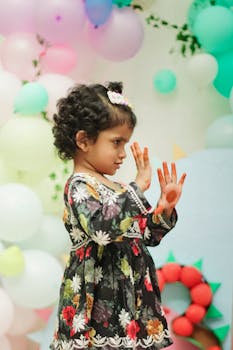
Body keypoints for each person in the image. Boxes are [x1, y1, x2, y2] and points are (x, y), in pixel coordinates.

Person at [50, 81, 186, 350]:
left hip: (130, 299)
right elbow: (102, 230)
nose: (123, 154)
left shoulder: (122, 192)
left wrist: (163, 208)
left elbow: (147, 236)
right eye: (116, 142)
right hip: (99, 298)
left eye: (126, 144)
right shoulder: (79, 186)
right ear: (83, 140)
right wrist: (137, 187)